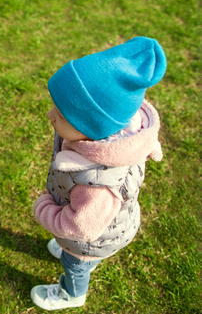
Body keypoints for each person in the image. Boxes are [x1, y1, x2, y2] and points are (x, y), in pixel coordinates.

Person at [30, 36, 167, 311]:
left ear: (92, 127)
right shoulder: (99, 135)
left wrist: (45, 208)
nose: (49, 115)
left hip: (89, 240)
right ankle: (69, 248)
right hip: (95, 222)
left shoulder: (97, 186)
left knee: (75, 266)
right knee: (72, 246)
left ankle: (72, 295)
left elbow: (82, 228)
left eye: (60, 114)